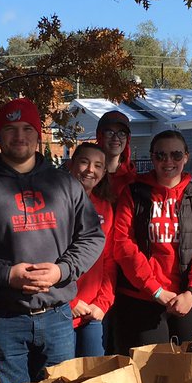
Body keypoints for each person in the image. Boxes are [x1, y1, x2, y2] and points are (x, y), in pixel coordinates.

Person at [0, 97, 104, 383]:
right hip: (2, 320)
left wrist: (61, 271)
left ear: (38, 134)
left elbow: (91, 236)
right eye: (10, 129)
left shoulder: (65, 185)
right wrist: (7, 274)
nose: (19, 136)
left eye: (27, 128)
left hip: (58, 318)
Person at [112, 130, 192, 350]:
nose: (168, 161)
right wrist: (155, 290)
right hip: (143, 297)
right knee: (150, 375)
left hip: (191, 298)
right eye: (161, 155)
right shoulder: (133, 193)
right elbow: (123, 245)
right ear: (152, 158)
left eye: (176, 155)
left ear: (186, 157)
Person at [66, 143, 116, 358]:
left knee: (93, 380)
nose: (90, 170)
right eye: (84, 162)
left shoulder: (105, 207)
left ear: (104, 172)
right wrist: (71, 302)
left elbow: (109, 259)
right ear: (72, 164)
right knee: (59, 379)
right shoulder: (54, 201)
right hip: (61, 308)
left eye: (98, 165)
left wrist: (102, 304)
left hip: (93, 311)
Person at [95, 109, 137, 198]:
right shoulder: (89, 174)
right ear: (99, 136)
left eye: (122, 133)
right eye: (109, 133)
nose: (115, 138)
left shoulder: (133, 178)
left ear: (128, 138)